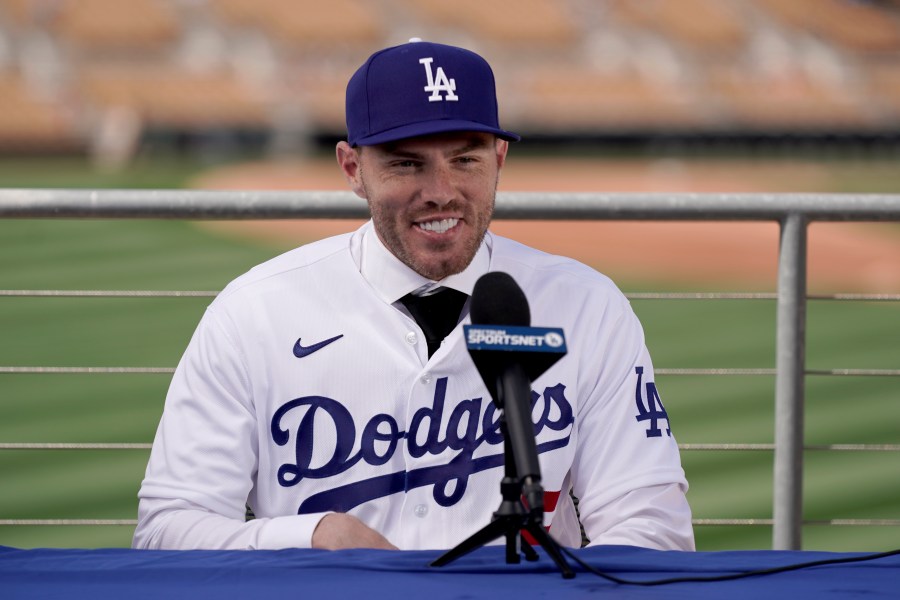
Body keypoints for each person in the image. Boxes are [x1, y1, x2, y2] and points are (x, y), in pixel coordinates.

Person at [133, 39, 695, 552]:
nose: (441, 192)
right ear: (353, 168)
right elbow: (167, 528)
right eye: (406, 162)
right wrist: (312, 535)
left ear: (499, 159)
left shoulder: (588, 306)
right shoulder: (253, 312)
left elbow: (650, 523)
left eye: (465, 158)